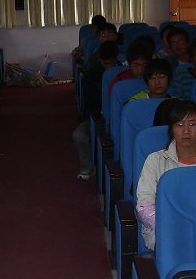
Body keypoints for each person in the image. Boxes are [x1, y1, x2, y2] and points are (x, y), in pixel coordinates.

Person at [136, 100, 196, 250]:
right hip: (167, 232)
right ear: (171, 129)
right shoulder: (155, 160)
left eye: (192, 124)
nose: (186, 131)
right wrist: (171, 226)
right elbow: (144, 206)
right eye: (179, 125)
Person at [71, 41, 121, 179]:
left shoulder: (123, 73)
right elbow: (89, 106)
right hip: (96, 117)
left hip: (118, 120)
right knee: (79, 135)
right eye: (106, 63)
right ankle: (87, 168)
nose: (109, 67)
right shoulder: (91, 75)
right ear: (100, 60)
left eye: (112, 63)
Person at [127, 58, 175, 126]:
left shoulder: (175, 103)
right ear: (147, 81)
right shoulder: (134, 103)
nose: (157, 83)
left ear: (169, 80)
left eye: (162, 77)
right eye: (152, 78)